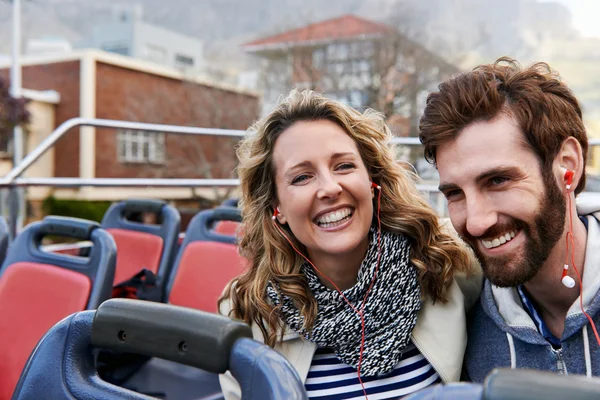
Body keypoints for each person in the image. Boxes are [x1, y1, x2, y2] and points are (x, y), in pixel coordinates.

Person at [218, 89, 481, 399]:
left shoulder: (445, 260)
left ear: (372, 182)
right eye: (302, 177)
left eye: (344, 166)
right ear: (277, 207)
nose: (330, 188)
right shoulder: (249, 312)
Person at [419, 57, 600, 382]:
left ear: (567, 165)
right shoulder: (458, 319)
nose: (475, 223)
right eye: (455, 194)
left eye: (498, 180)